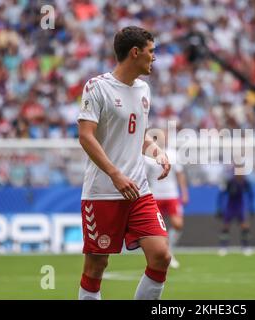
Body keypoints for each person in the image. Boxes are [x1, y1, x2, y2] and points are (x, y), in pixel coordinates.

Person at [77, 26, 171, 300]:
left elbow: (137, 134)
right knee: (96, 266)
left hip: (138, 190)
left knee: (161, 255)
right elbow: (85, 136)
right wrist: (115, 174)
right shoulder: (97, 87)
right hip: (103, 191)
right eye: (151, 52)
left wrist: (156, 151)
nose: (154, 58)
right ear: (135, 52)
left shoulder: (144, 89)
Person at [145, 129, 189, 269]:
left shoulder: (173, 154)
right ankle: (160, 255)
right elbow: (144, 176)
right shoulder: (149, 156)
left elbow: (180, 174)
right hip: (155, 195)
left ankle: (169, 251)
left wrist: (184, 192)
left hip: (171, 195)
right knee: (158, 230)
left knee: (178, 224)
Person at [216, 173, 255, 256]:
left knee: (245, 226)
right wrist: (219, 208)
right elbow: (221, 194)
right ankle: (223, 247)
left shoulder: (245, 182)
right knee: (225, 226)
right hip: (230, 207)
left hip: (240, 207)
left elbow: (250, 194)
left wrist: (251, 207)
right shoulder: (229, 182)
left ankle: (246, 247)